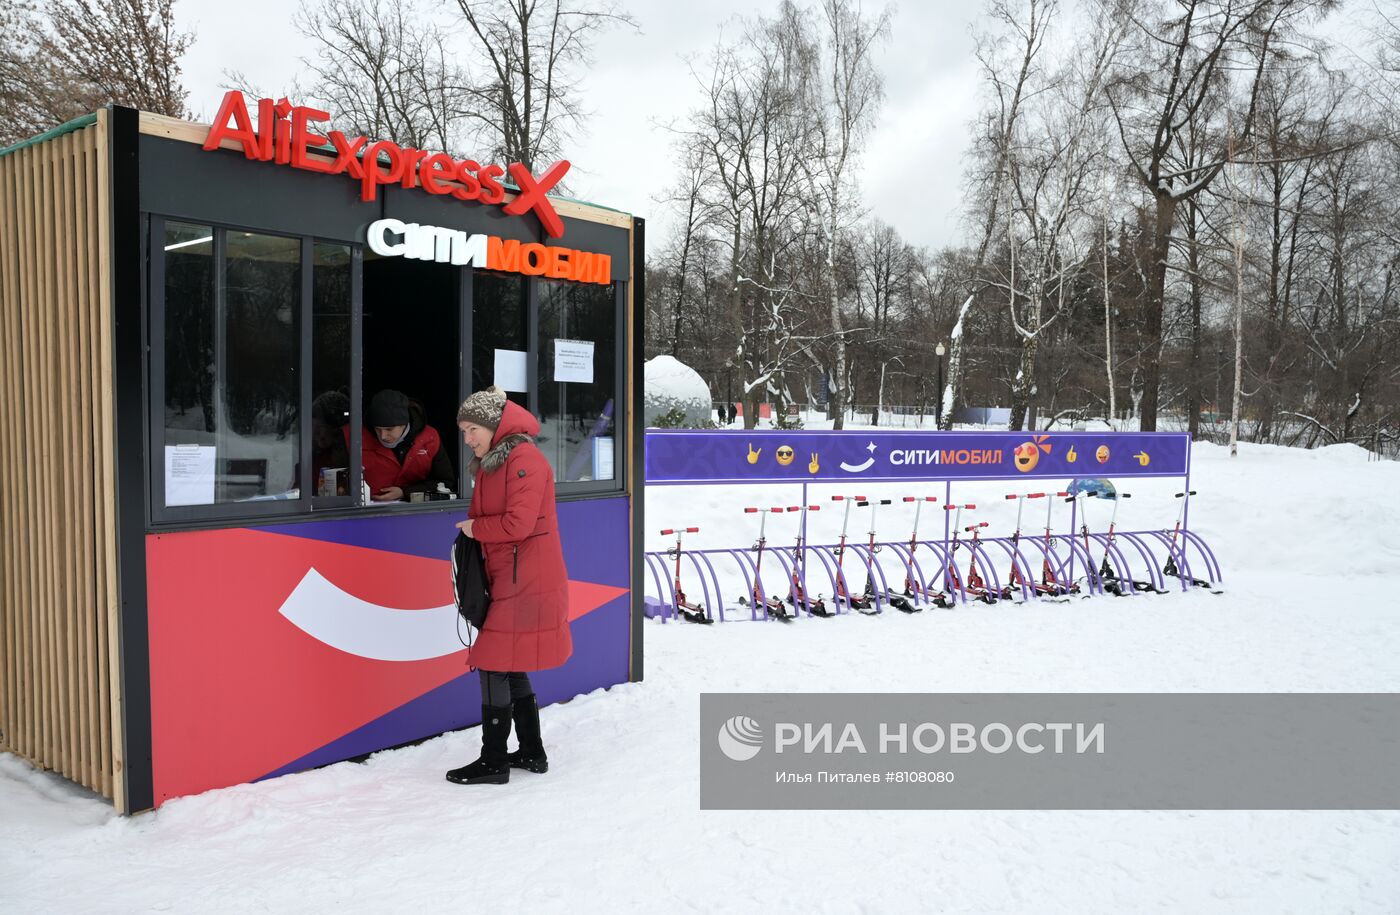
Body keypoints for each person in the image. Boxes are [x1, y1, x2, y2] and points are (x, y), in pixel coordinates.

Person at [447, 386, 572, 786]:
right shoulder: (495, 461)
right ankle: (532, 752)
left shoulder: (523, 460)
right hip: (510, 575)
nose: (467, 439)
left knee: (492, 660)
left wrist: (473, 529)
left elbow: (517, 525)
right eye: (464, 432)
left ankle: (494, 759)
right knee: (509, 660)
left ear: (492, 425)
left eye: (471, 430)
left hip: (527, 578)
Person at [354, 389, 455, 502]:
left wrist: (405, 492)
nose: (383, 436)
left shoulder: (430, 438)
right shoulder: (355, 437)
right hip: (365, 511)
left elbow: (445, 482)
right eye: (378, 429)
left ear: (404, 424)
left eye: (389, 429)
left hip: (414, 511)